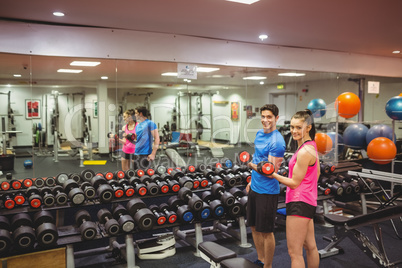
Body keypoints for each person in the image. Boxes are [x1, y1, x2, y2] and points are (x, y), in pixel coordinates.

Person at [271, 109, 320, 268]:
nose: (294, 131)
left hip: (298, 202)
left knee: (294, 252)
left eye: (299, 127)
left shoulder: (304, 151)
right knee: (310, 247)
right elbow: (317, 174)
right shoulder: (311, 146)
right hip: (308, 201)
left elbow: (294, 183)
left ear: (308, 128)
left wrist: (273, 174)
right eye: (292, 127)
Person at [246, 104, 286, 268]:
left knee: (266, 231)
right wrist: (251, 180)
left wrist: (251, 166)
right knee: (254, 227)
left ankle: (268, 266)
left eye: (269, 117)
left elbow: (270, 171)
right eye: (263, 116)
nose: (265, 120)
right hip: (255, 187)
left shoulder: (277, 142)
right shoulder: (259, 134)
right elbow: (257, 158)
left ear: (276, 118)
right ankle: (261, 259)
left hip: (267, 192)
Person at [134, 106, 160, 170]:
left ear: (140, 114)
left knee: (145, 177)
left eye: (136, 113)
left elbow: (157, 138)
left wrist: (153, 154)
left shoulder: (150, 123)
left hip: (145, 154)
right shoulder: (138, 125)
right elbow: (137, 139)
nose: (134, 115)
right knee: (137, 175)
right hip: (136, 153)